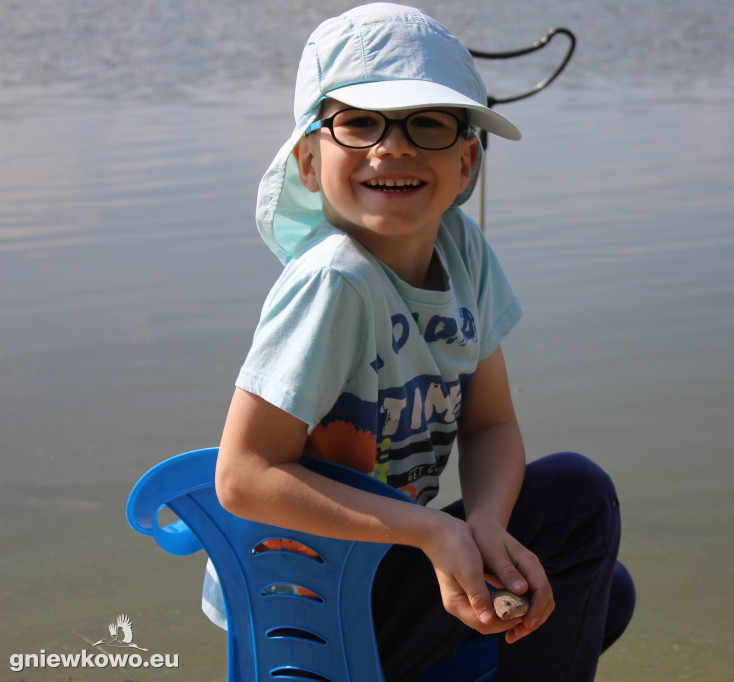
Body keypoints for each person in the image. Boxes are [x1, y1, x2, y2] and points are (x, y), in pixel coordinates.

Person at [204, 4, 634, 680]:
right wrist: (432, 529)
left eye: (427, 123)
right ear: (309, 161)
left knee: (600, 589)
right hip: (309, 608)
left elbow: (491, 424)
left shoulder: (463, 251)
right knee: (579, 500)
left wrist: (486, 524)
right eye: (359, 122)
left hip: (382, 566)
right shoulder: (335, 281)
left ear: (467, 162)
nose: (393, 147)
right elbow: (243, 476)